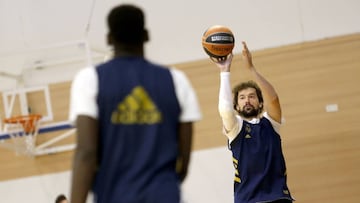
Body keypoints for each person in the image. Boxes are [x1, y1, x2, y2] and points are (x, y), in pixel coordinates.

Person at [68, 4, 202, 203]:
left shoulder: (89, 79)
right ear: (146, 35)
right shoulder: (176, 80)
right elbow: (184, 156)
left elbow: (86, 152)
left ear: (109, 39)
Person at [212, 41, 294, 203]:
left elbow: (274, 99)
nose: (247, 100)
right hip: (248, 199)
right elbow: (225, 110)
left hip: (278, 197)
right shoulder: (235, 128)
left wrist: (251, 69)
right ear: (236, 105)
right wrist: (224, 71)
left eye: (252, 96)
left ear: (260, 103)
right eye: (242, 98)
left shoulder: (272, 124)